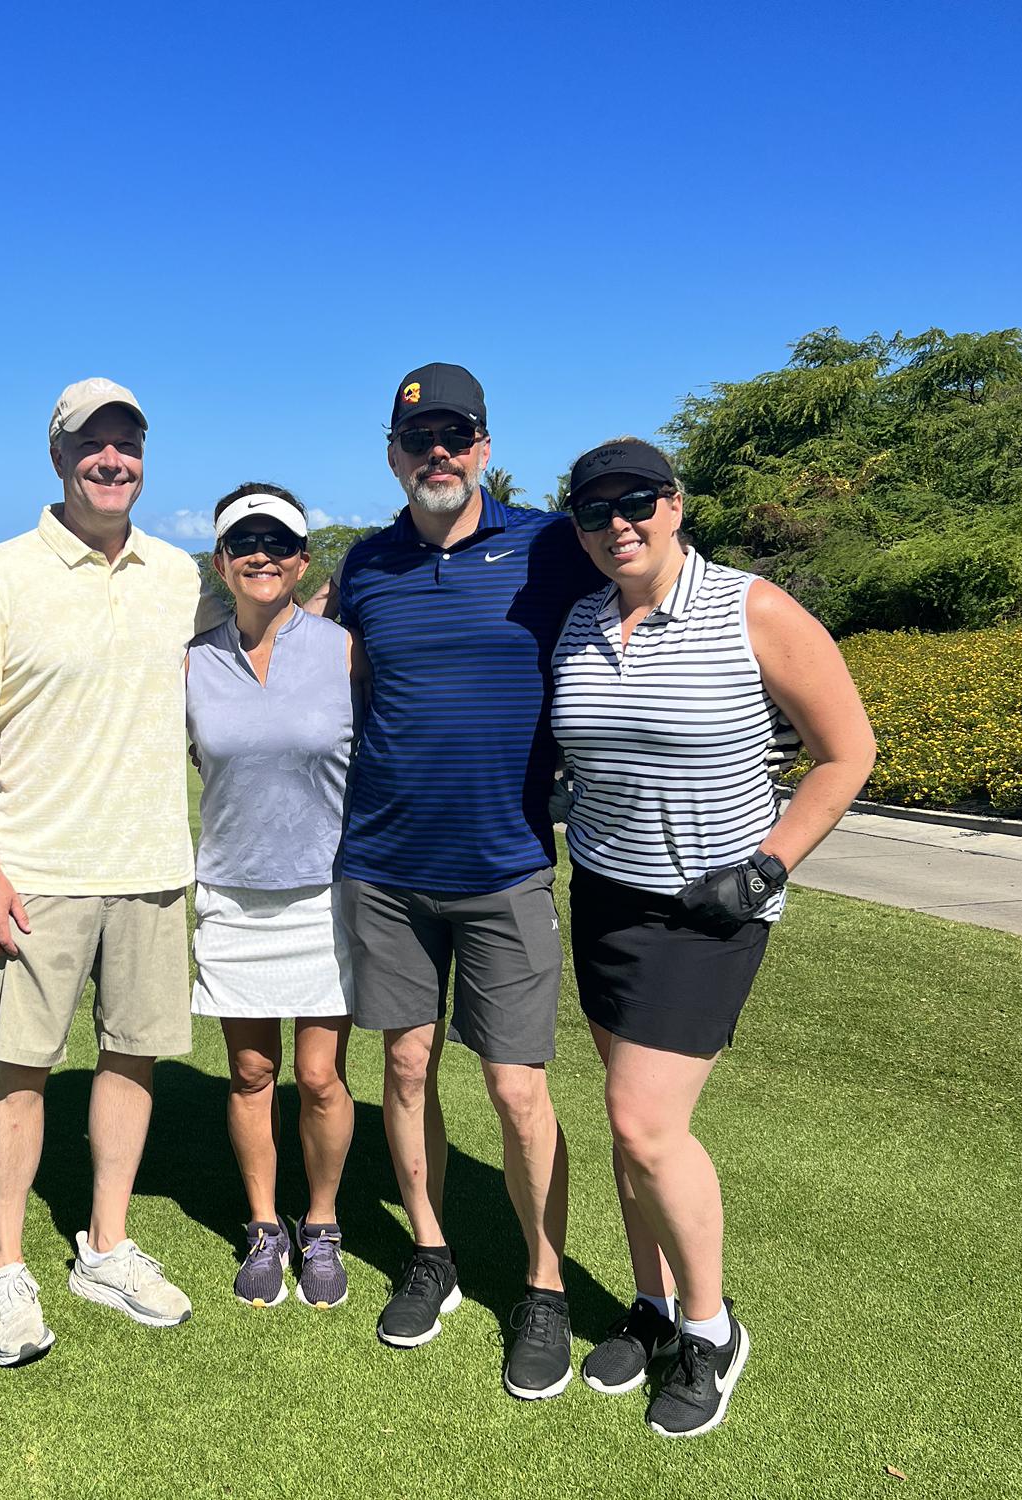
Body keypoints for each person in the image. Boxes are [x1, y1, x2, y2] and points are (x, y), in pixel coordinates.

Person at [551, 437, 876, 1437]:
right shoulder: (579, 619)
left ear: (676, 503)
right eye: (597, 511)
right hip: (605, 897)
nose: (620, 523)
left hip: (713, 906)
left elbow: (847, 751)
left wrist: (769, 865)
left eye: (637, 501)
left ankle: (709, 1329)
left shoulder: (752, 608)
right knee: (626, 1122)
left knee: (647, 1124)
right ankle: (648, 1308)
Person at [327, 363, 605, 1399]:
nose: (435, 454)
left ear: (483, 447)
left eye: (454, 436)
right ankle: (432, 1254)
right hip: (386, 869)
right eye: (415, 441)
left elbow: (647, 590)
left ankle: (542, 1288)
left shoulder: (545, 546)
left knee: (515, 1088)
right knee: (404, 1070)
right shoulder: (365, 565)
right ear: (393, 457)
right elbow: (333, 676)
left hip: (507, 867)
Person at [0, 376, 222, 1367]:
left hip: (150, 863)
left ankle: (105, 1246)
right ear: (59, 457)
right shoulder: (4, 573)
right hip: (38, 870)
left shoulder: (178, 574)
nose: (114, 460)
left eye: (128, 443)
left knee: (133, 1054)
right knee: (21, 1067)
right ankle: (10, 1270)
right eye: (93, 444)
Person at [186, 483, 363, 1310]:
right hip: (230, 889)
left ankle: (321, 1223)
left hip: (326, 892)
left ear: (303, 560)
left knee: (321, 1077)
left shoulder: (343, 650)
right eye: (245, 541)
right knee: (252, 1071)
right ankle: (265, 1225)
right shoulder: (193, 661)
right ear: (222, 562)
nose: (263, 554)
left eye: (281, 541)